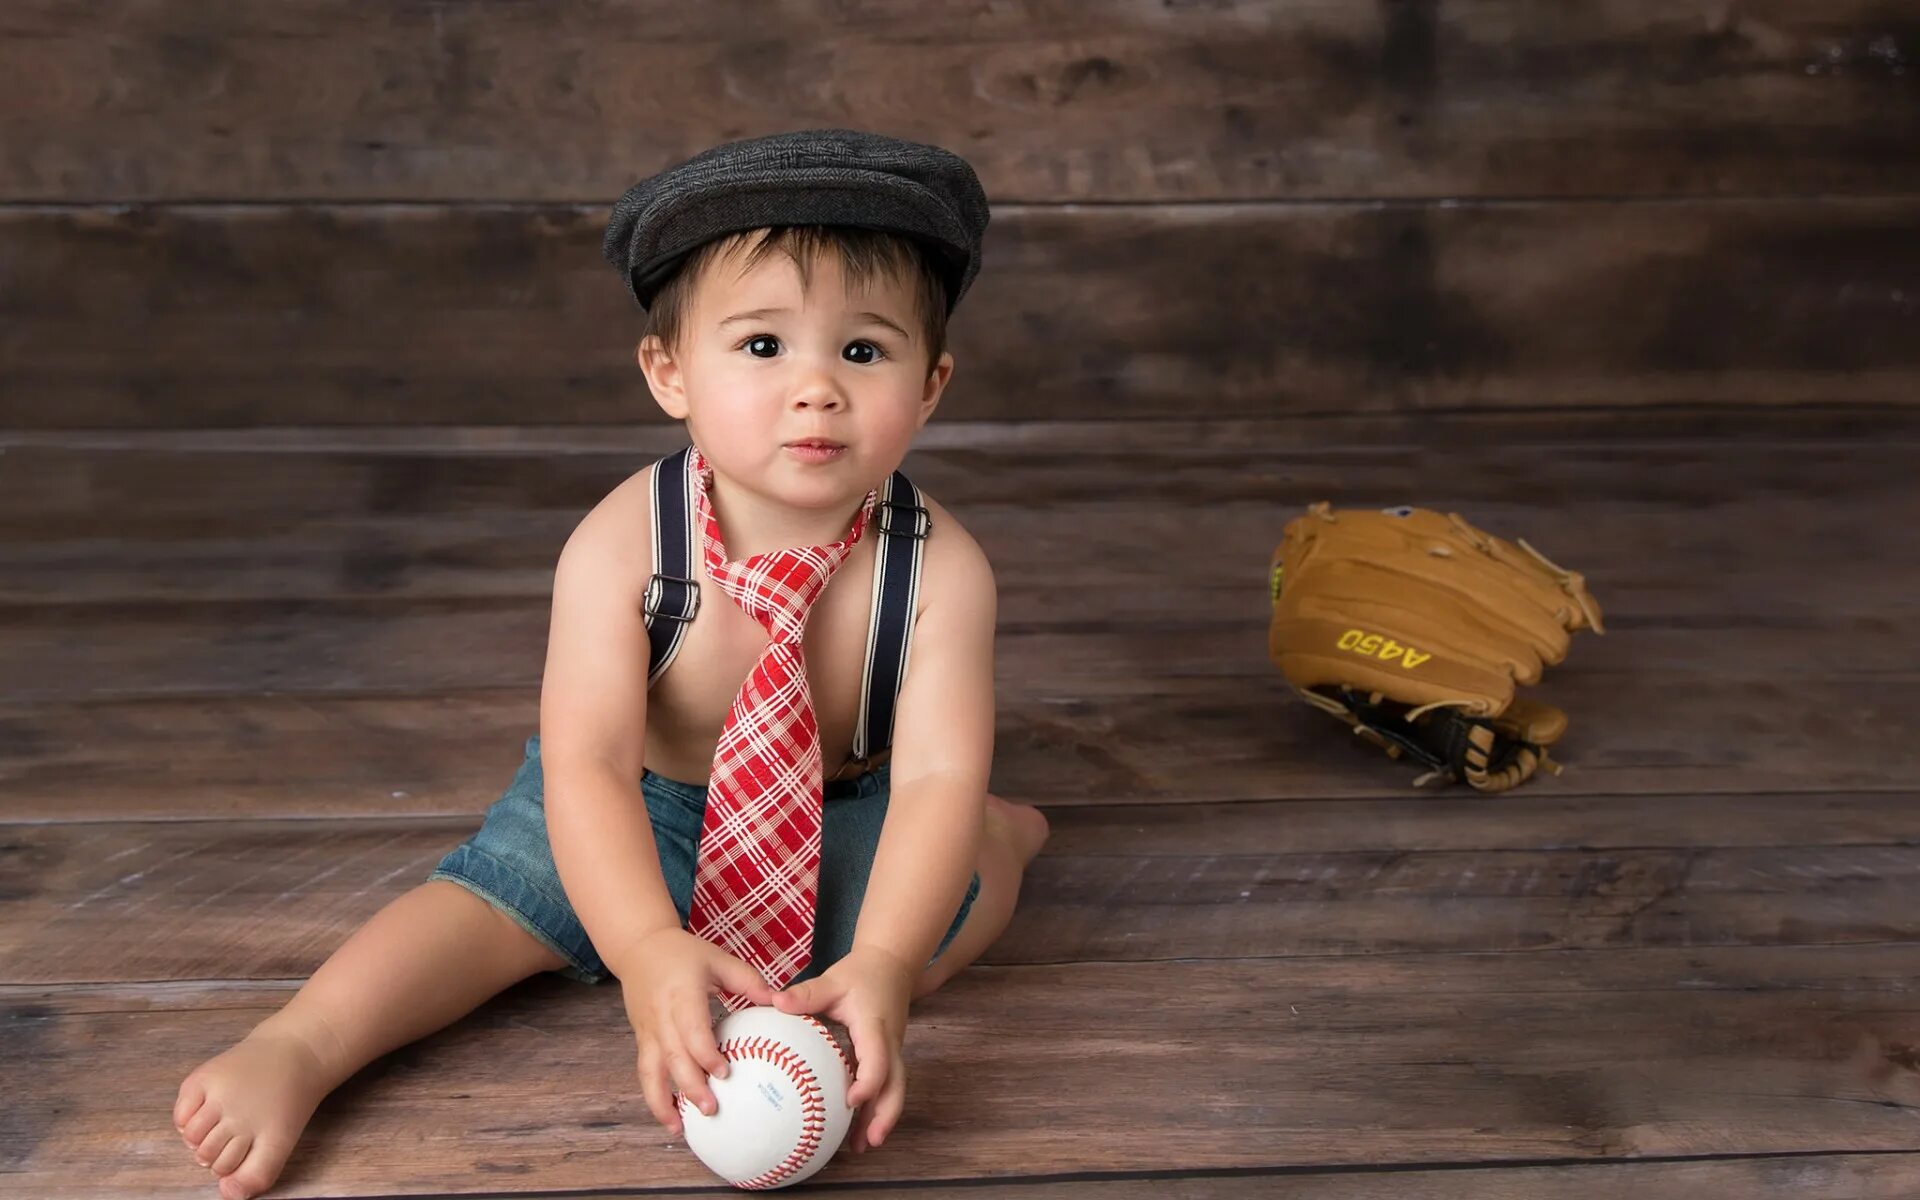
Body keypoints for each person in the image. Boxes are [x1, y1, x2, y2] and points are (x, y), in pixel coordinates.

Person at [171, 129, 1050, 1200]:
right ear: (669, 372)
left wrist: (889, 966)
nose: (815, 389)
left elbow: (935, 779)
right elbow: (585, 763)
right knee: (497, 897)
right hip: (640, 802)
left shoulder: (941, 572)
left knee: (942, 887)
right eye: (763, 346)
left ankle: (1002, 849)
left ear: (932, 384)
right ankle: (302, 1046)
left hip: (841, 798)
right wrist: (639, 944)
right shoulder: (623, 545)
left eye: (863, 352)